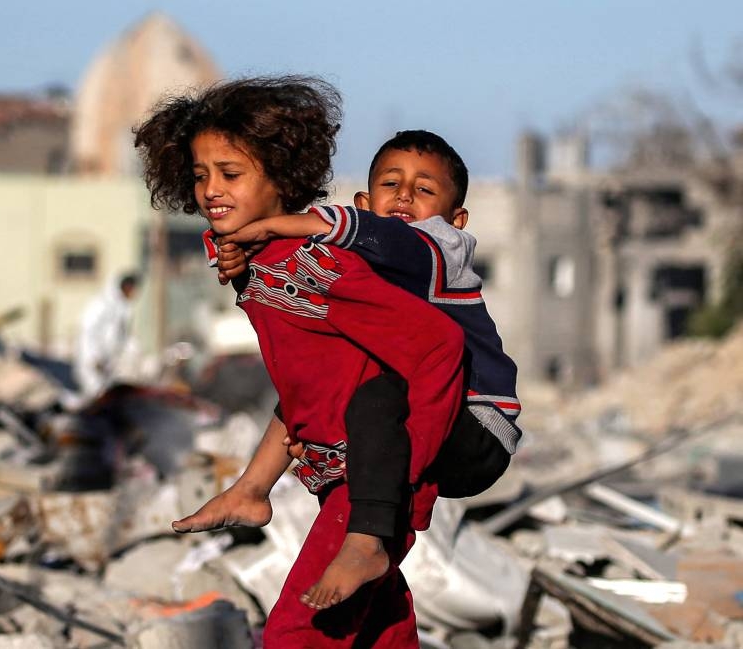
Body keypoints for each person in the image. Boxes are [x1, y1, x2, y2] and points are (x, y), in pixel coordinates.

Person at [134, 77, 465, 648]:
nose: (211, 189)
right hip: (341, 479)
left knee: (299, 633)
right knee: (377, 630)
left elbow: (439, 347)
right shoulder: (259, 264)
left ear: (281, 179)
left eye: (231, 174)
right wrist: (253, 486)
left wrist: (399, 479)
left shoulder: (314, 266)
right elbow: (311, 389)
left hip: (367, 488)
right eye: (200, 174)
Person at [215, 130, 523, 609]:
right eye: (390, 184)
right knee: (321, 387)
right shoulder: (353, 267)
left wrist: (294, 224)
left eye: (424, 190)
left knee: (374, 396)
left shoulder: (440, 250)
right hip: (416, 417)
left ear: (457, 219)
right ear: (365, 199)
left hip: (474, 425)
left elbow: (394, 241)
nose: (404, 195)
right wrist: (243, 259)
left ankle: (366, 540)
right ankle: (252, 488)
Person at [74, 273, 139, 401]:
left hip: (109, 362)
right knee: (94, 394)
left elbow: (123, 336)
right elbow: (88, 331)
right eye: (131, 289)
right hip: (94, 362)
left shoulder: (124, 309)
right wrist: (94, 357)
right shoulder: (102, 304)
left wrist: (133, 353)